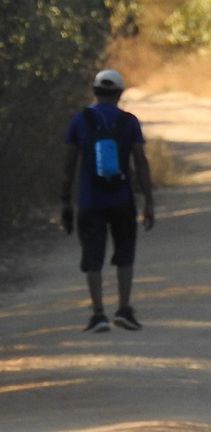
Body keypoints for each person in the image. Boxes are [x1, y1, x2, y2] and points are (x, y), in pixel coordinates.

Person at [60, 69, 155, 332]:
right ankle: (124, 309)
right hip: (122, 199)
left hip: (90, 201)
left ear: (95, 92)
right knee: (125, 254)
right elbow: (141, 163)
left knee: (93, 257)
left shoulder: (80, 121)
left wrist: (65, 201)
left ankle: (98, 313)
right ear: (120, 93)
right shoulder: (129, 122)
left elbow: (69, 166)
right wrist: (148, 201)